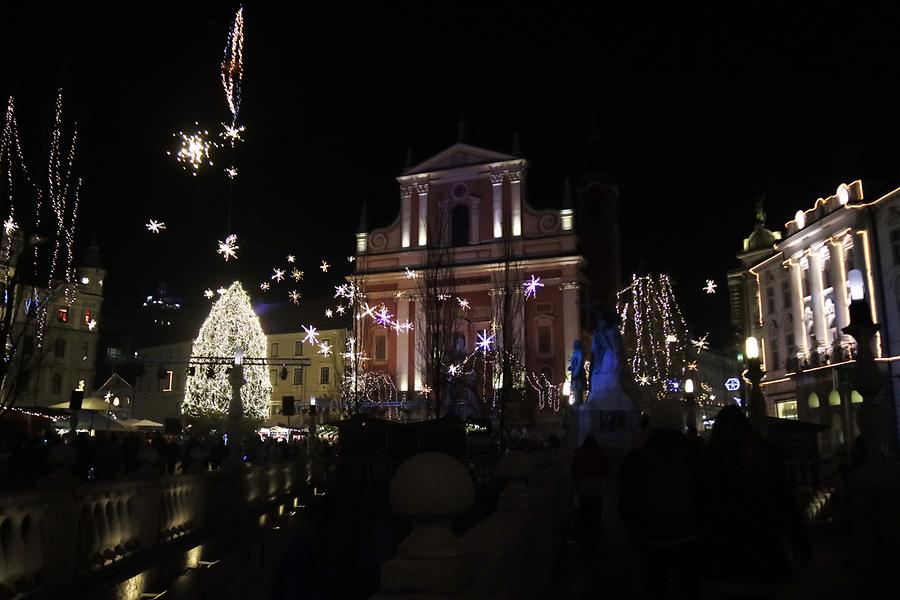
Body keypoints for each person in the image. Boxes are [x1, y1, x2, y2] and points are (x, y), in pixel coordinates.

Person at [702, 405, 809, 598]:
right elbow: (785, 497)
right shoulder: (764, 451)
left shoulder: (712, 457)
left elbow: (705, 503)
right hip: (764, 540)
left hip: (728, 547)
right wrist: (799, 540)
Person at [618, 396, 703, 599]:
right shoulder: (696, 455)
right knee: (687, 589)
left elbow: (626, 501)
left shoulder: (636, 459)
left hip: (650, 540)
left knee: (654, 588)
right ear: (679, 421)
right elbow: (707, 494)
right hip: (688, 538)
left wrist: (636, 532)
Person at [571, 434, 609, 547]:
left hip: (584, 484)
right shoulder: (601, 453)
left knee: (585, 505)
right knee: (597, 504)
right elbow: (606, 469)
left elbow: (575, 469)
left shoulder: (579, 454)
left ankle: (587, 527)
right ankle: (596, 524)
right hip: (598, 483)